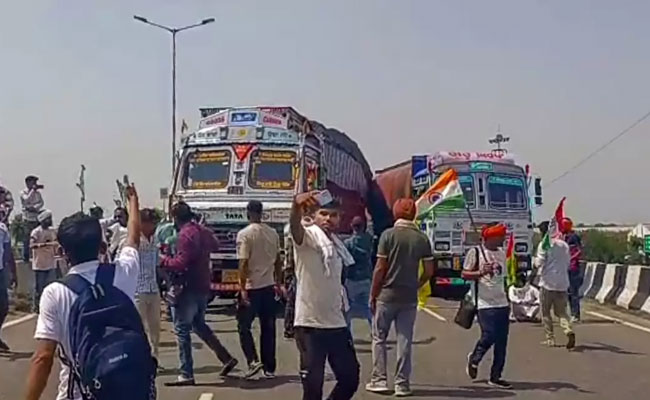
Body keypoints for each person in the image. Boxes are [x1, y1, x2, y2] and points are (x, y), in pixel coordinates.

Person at [24, 183, 141, 400]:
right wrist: (133, 202)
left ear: (62, 252)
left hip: (80, 392)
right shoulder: (123, 272)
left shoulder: (55, 293)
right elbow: (133, 238)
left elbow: (43, 358)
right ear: (102, 247)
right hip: (128, 390)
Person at [290, 192, 360, 400]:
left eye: (333, 215)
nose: (328, 219)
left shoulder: (337, 246)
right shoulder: (308, 237)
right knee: (313, 387)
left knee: (350, 379)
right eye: (324, 214)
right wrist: (295, 207)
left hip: (336, 323)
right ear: (314, 216)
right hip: (310, 325)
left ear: (340, 218)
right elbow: (295, 230)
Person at [161, 201, 238, 386]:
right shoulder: (202, 231)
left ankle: (186, 373)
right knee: (199, 325)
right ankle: (226, 358)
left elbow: (180, 263)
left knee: (182, 330)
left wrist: (163, 260)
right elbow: (216, 245)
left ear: (175, 218)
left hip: (187, 286)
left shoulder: (185, 234)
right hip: (203, 284)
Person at [366, 199, 434, 397]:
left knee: (379, 338)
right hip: (409, 297)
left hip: (386, 295)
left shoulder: (388, 235)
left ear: (395, 213)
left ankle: (379, 380)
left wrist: (373, 293)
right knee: (405, 340)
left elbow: (380, 268)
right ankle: (402, 384)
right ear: (413, 214)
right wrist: (417, 284)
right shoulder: (422, 238)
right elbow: (429, 271)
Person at [463, 223, 512, 389]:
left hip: (502, 302)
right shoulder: (475, 252)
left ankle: (496, 376)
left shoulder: (501, 253)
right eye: (500, 237)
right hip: (484, 302)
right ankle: (474, 358)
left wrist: (508, 298)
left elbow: (503, 278)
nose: (503, 239)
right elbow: (464, 274)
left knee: (502, 342)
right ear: (491, 237)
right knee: (489, 335)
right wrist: (480, 272)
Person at [236, 200, 282, 379]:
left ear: (248, 213)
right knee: (268, 328)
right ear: (262, 213)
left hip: (252, 286)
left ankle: (253, 360)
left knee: (244, 326)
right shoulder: (273, 233)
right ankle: (269, 367)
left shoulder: (245, 234)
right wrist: (278, 283)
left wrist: (242, 288)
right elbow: (278, 260)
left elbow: (243, 262)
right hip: (268, 285)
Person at [535, 221, 576, 349]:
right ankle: (568, 330)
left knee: (546, 312)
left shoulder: (544, 244)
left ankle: (550, 339)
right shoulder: (564, 244)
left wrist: (535, 264)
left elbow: (539, 263)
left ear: (543, 232)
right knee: (561, 312)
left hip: (547, 283)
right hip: (563, 283)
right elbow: (568, 262)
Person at [134, 208, 161, 362]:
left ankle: (154, 358)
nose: (153, 226)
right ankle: (140, 358)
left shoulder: (155, 240)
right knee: (139, 327)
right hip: (138, 290)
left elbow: (157, 265)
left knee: (155, 327)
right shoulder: (134, 240)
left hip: (153, 288)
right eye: (151, 223)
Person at [344, 216, 374, 331]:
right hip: (366, 277)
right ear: (363, 227)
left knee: (348, 308)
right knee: (369, 307)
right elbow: (371, 231)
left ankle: (348, 333)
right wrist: (369, 218)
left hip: (352, 278)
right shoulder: (369, 240)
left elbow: (345, 262)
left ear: (352, 226)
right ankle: (374, 332)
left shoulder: (348, 243)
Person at [29, 210, 58, 313]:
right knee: (39, 288)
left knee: (51, 287)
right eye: (48, 219)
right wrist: (44, 245)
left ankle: (50, 306)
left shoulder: (52, 231)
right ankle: (36, 307)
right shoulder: (36, 232)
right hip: (40, 265)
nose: (50, 221)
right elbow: (31, 245)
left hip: (51, 263)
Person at [0, 206, 17, 352]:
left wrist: (13, 271)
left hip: (0, 271)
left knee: (4, 306)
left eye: (2, 213)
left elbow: (7, 251)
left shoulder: (3, 229)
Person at [20, 175, 45, 261]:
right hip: (27, 218)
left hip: (36, 217)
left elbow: (41, 203)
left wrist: (35, 208)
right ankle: (26, 256)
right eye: (33, 182)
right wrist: (32, 191)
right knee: (27, 238)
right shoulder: (23, 192)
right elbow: (26, 200)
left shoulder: (38, 194)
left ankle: (38, 255)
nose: (35, 184)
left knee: (38, 237)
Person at [563, 217, 583, 322]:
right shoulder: (563, 237)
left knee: (573, 292)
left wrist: (571, 258)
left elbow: (579, 250)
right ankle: (571, 313)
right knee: (568, 293)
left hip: (573, 268)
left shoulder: (574, 237)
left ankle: (576, 314)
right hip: (564, 268)